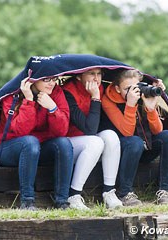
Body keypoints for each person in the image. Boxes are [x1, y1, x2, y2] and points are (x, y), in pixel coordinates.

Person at [0, 76, 73, 210]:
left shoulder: (56, 92)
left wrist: (52, 108)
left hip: (39, 147)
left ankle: (62, 201)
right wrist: (28, 100)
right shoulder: (13, 94)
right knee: (30, 142)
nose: (52, 83)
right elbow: (20, 131)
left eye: (54, 79)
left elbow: (61, 131)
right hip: (10, 148)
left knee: (64, 143)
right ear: (33, 80)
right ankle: (27, 201)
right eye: (46, 80)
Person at [101, 69, 168, 205]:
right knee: (134, 141)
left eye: (135, 87)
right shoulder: (108, 100)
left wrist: (151, 109)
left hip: (145, 146)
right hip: (123, 150)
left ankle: (165, 191)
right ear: (117, 88)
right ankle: (125, 193)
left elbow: (157, 130)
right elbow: (127, 132)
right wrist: (130, 105)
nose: (132, 92)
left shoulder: (143, 94)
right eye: (127, 89)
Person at [62, 68, 123, 210]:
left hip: (87, 141)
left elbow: (124, 91)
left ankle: (109, 192)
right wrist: (95, 97)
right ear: (78, 76)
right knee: (95, 141)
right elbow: (89, 129)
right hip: (67, 142)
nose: (96, 78)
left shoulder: (101, 88)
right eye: (91, 74)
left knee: (110, 136)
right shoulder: (67, 91)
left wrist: (155, 86)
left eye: (99, 74)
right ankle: (74, 195)